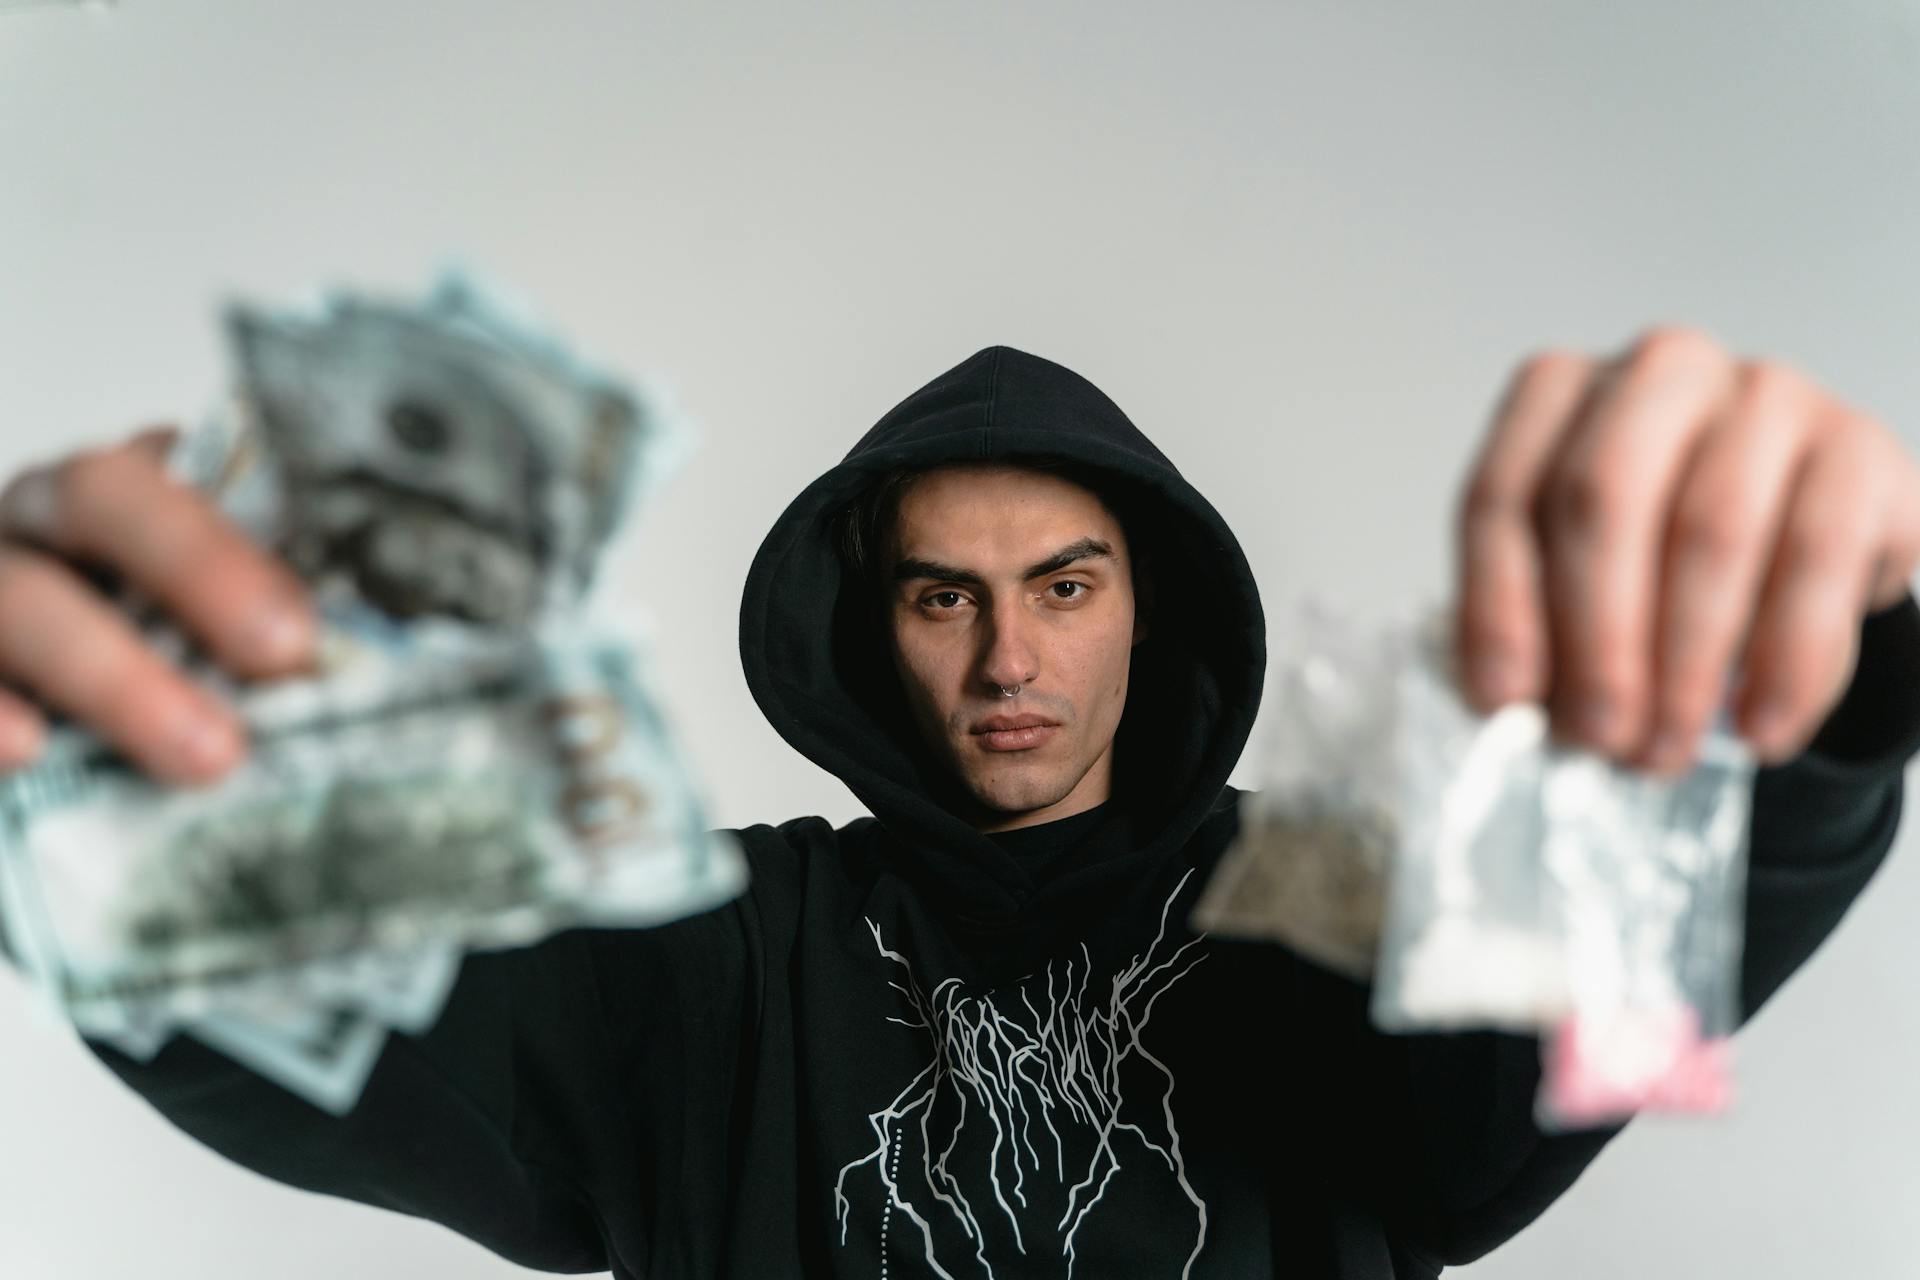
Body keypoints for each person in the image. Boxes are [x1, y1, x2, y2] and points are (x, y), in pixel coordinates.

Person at [2, 338, 1917, 1279]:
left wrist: (1846, 673)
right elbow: (348, 1037)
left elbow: (1637, 960)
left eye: (1065, 586)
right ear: (875, 630)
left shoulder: (1325, 890)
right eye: (946, 595)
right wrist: (102, 813)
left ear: (1147, 610)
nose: (1010, 656)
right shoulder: (721, 944)